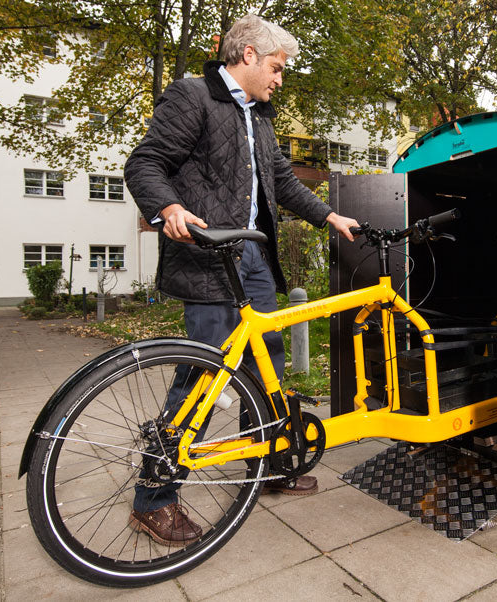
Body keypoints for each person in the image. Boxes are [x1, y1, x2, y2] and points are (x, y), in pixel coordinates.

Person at [124, 14, 359, 545]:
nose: (280, 78)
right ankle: (153, 500)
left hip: (253, 258)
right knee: (201, 379)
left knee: (265, 365)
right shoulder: (192, 97)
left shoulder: (260, 114)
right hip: (209, 259)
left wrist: (328, 216)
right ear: (248, 55)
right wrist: (167, 206)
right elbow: (146, 163)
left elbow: (278, 179)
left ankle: (274, 465)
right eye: (277, 67)